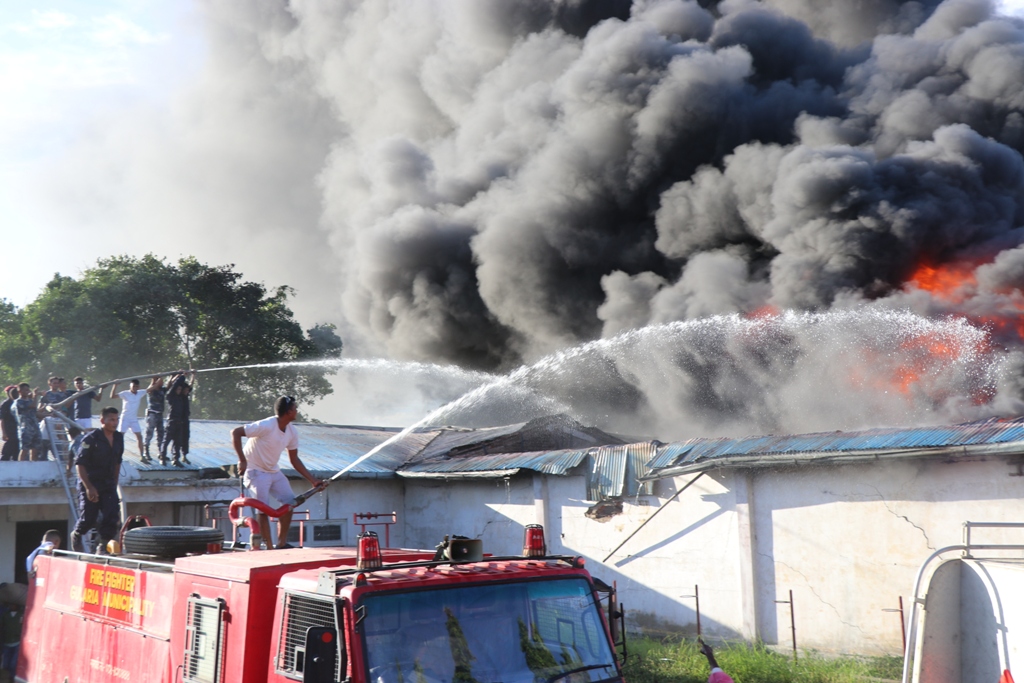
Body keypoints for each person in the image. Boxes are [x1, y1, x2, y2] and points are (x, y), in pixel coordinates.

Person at [230, 396, 323, 550]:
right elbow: (236, 432)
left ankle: (281, 543)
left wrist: (313, 480)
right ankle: (269, 548)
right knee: (263, 510)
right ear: (288, 412)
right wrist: (242, 460)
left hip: (273, 471)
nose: (297, 411)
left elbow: (294, 459)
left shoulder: (292, 431)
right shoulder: (267, 425)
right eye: (295, 408)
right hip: (255, 471)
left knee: (289, 503)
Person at [70, 407, 123, 554]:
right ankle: (77, 534)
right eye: (111, 419)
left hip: (108, 483)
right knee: (89, 518)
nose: (115, 422)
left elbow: (117, 462)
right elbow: (80, 464)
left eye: (116, 419)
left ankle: (102, 545)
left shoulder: (119, 438)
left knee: (112, 515)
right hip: (90, 482)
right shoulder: (91, 439)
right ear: (102, 421)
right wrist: (88, 487)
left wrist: (114, 482)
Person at [162, 371, 196, 467]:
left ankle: (181, 456)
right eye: (184, 390)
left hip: (183, 421)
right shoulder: (176, 396)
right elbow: (173, 386)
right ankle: (163, 456)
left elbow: (190, 385)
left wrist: (193, 375)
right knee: (168, 440)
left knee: (183, 439)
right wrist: (181, 376)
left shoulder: (184, 397)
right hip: (174, 420)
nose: (186, 391)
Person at [109, 379, 144, 457]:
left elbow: (151, 388)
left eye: (136, 386)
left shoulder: (140, 393)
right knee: (120, 436)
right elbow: (112, 396)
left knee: (139, 436)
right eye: (133, 386)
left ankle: (142, 455)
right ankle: (116, 454)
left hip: (134, 419)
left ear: (138, 387)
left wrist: (155, 378)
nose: (134, 388)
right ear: (130, 386)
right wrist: (115, 385)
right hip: (125, 418)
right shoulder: (125, 393)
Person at [12, 384, 43, 462]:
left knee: (35, 449)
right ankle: (20, 466)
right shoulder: (18, 402)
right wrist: (35, 395)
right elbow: (32, 406)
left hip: (35, 427)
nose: (27, 392)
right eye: (25, 390)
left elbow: (35, 412)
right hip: (25, 428)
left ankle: (33, 466)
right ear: (20, 391)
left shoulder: (30, 400)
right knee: (25, 449)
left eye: (28, 390)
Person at [143, 375, 167, 464]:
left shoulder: (162, 390)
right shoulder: (151, 390)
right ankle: (146, 452)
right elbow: (150, 387)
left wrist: (176, 376)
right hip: (152, 413)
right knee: (149, 433)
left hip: (159, 414)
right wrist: (155, 378)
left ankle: (161, 452)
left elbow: (169, 385)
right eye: (161, 381)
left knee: (161, 434)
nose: (162, 382)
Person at [0, 600, 21, 683]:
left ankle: (11, 678)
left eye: (14, 605)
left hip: (17, 642)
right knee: (6, 663)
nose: (12, 606)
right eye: (11, 604)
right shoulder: (5, 615)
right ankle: (5, 677)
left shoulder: (20, 615)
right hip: (6, 641)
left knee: (13, 663)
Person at [0, 387, 19, 462]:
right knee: (8, 450)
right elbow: (2, 419)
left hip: (17, 428)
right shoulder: (6, 404)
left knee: (17, 449)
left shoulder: (18, 402)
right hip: (10, 429)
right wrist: (4, 433)